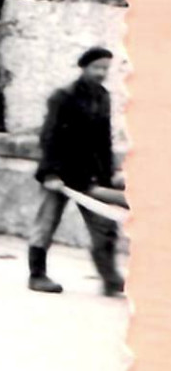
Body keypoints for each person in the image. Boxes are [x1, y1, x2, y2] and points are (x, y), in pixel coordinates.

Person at [28, 46, 126, 296]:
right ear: (83, 68)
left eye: (105, 68)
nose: (101, 73)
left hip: (88, 177)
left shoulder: (103, 96)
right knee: (46, 224)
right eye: (97, 68)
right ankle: (37, 275)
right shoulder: (63, 96)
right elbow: (49, 137)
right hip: (59, 175)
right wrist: (50, 174)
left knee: (104, 226)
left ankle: (110, 279)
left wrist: (109, 174)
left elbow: (104, 140)